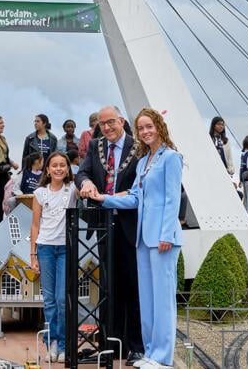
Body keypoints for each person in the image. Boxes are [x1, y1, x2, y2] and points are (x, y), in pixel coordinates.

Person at [84, 108, 182, 369]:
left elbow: (173, 199)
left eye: (149, 126)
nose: (145, 131)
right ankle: (150, 353)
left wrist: (167, 235)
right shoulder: (143, 162)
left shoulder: (171, 158)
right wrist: (103, 198)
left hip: (161, 239)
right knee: (148, 301)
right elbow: (135, 198)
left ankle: (163, 357)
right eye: (141, 128)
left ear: (159, 127)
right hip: (142, 239)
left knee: (162, 301)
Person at [76, 105, 143, 363]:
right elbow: (82, 172)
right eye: (103, 124)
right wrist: (87, 182)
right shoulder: (95, 146)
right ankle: (109, 345)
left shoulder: (138, 147)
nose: (107, 128)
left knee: (132, 287)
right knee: (107, 289)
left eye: (111, 122)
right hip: (104, 225)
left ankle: (136, 345)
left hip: (129, 224)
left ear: (122, 121)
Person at [29, 152, 77, 363]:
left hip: (65, 248)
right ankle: (52, 343)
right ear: (47, 170)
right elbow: (35, 224)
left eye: (62, 165)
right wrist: (33, 255)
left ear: (67, 168)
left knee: (61, 298)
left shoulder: (73, 190)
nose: (58, 169)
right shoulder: (40, 193)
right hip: (46, 248)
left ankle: (65, 343)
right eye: (54, 165)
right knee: (49, 300)